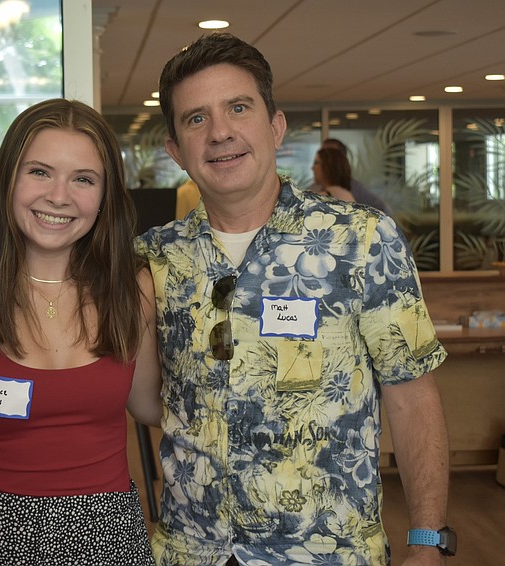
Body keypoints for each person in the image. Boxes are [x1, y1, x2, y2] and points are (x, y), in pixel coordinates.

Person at [135, 32, 451, 565]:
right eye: (196, 119)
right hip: (192, 553)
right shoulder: (153, 260)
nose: (220, 133)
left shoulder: (362, 240)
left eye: (238, 107)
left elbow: (413, 398)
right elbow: (149, 402)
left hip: (327, 554)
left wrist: (427, 540)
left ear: (275, 126)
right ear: (175, 150)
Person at [0, 98, 162, 565]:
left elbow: (150, 405)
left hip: (112, 539)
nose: (59, 196)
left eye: (83, 179)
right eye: (40, 172)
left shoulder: (134, 288)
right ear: (8, 178)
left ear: (106, 194)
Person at [320, 137, 391, 213]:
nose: (325, 159)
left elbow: (384, 210)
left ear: (342, 159)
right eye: (322, 154)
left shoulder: (355, 189)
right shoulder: (315, 188)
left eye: (332, 154)